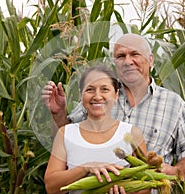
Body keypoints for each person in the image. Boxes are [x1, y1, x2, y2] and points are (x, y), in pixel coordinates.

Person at [42, 33, 185, 181]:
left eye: (135, 54)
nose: (128, 61)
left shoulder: (174, 104)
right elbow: (68, 142)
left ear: (151, 60)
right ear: (115, 62)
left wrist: (176, 171)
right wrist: (58, 113)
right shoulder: (99, 99)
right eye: (121, 56)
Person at [44, 65, 148, 194]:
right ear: (81, 95)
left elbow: (146, 186)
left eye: (105, 89)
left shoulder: (132, 133)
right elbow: (51, 187)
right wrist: (85, 168)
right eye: (90, 89)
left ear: (116, 95)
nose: (97, 96)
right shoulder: (66, 133)